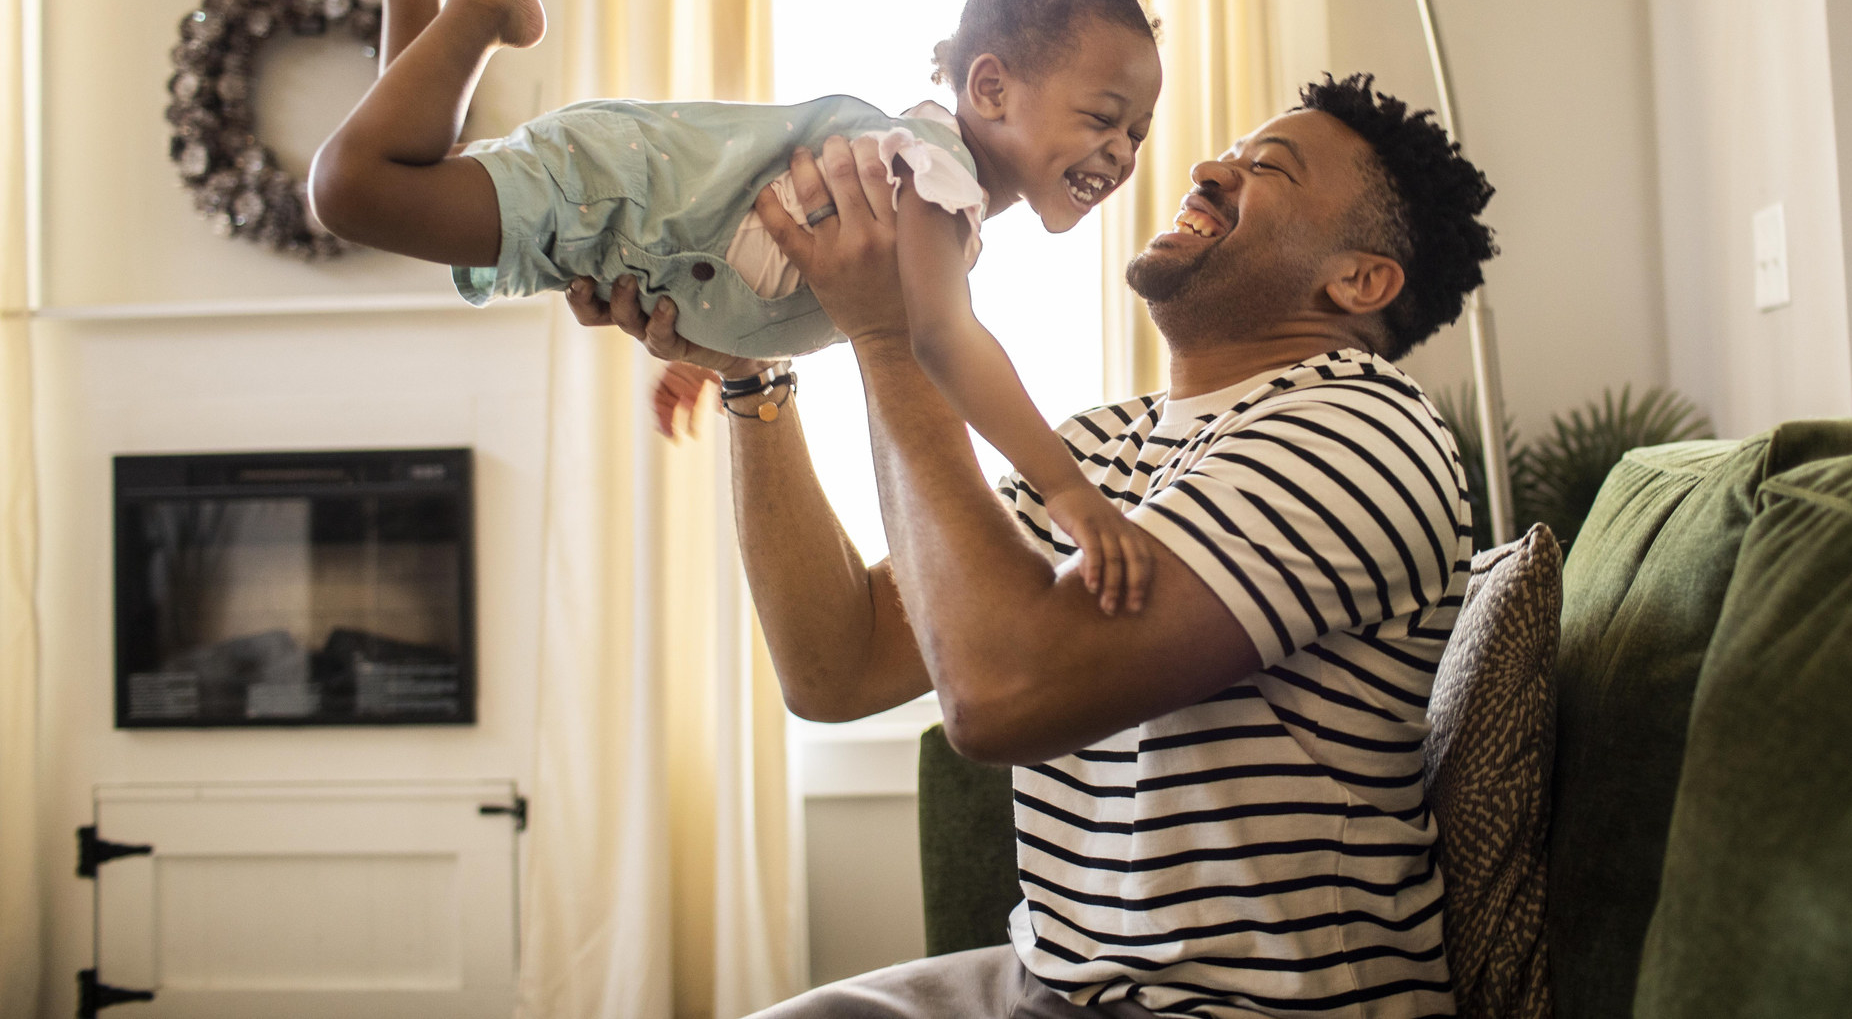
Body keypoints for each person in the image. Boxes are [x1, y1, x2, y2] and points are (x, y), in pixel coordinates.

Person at [570, 72, 1499, 1019]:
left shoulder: (1357, 431)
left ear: (1358, 280)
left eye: (1268, 168)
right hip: (1047, 981)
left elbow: (998, 697)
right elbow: (834, 668)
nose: (1208, 168)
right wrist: (754, 378)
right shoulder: (1102, 444)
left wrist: (892, 331)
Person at [310, 0, 1168, 611]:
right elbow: (944, 340)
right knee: (353, 189)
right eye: (1103, 117)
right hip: (616, 198)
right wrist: (1067, 493)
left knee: (414, 166)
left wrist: (707, 350)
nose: (1122, 152)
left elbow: (755, 238)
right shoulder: (934, 182)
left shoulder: (922, 168)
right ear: (991, 87)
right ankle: (484, 3)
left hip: (622, 215)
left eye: (1137, 131)